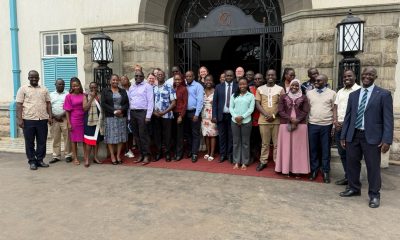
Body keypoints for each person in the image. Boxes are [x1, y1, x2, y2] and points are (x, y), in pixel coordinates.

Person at [339, 67, 393, 208]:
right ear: (360, 76)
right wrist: (344, 135)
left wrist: (387, 140)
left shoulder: (384, 94)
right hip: (354, 134)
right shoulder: (354, 95)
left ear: (375, 77)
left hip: (373, 137)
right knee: (352, 164)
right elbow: (348, 117)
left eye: (370, 74)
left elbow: (388, 119)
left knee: (373, 167)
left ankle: (374, 195)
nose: (367, 76)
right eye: (364, 74)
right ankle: (354, 188)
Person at [16, 70, 52, 170]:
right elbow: (19, 104)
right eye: (32, 77)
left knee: (42, 141)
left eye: (36, 77)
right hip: (28, 119)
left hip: (42, 119)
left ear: (39, 78)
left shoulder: (44, 89)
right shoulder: (23, 89)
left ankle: (40, 160)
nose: (34, 79)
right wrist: (19, 119)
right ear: (28, 78)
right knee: (29, 142)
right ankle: (32, 161)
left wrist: (50, 116)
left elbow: (48, 103)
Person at [275, 79, 310, 177]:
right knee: (286, 147)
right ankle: (286, 169)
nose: (294, 87)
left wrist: (297, 120)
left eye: (296, 86)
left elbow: (305, 110)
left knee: (298, 148)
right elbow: (280, 110)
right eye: (292, 85)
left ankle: (298, 170)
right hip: (285, 124)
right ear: (289, 86)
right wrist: (291, 119)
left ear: (299, 87)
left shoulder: (304, 97)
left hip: (301, 125)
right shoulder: (283, 96)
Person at [307, 74, 336, 183]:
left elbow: (334, 109)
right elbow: (308, 109)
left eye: (319, 81)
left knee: (325, 150)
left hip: (326, 125)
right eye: (315, 80)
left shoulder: (332, 93)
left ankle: (325, 171)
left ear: (325, 81)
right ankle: (314, 170)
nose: (316, 82)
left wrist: (333, 124)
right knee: (313, 149)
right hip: (312, 124)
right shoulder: (309, 93)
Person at [333, 69, 360, 185]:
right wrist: (335, 121)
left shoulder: (359, 90)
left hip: (352, 128)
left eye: (349, 76)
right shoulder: (340, 92)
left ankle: (354, 179)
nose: (346, 78)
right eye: (344, 77)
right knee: (342, 153)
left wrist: (346, 123)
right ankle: (348, 177)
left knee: (352, 155)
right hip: (339, 127)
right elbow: (335, 107)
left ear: (355, 77)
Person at [255, 69, 284, 171]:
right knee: (265, 143)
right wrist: (266, 115)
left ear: (276, 77)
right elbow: (257, 104)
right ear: (265, 77)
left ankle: (277, 162)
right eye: (268, 75)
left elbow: (281, 104)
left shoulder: (280, 89)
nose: (270, 77)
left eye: (273, 75)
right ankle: (263, 161)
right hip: (263, 120)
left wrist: (273, 115)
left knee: (277, 143)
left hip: (276, 121)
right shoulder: (260, 89)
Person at [212, 70, 238, 163]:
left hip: (232, 116)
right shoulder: (218, 87)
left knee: (231, 136)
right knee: (222, 136)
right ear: (225, 76)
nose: (229, 77)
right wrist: (214, 115)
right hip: (221, 115)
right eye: (227, 75)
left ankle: (230, 154)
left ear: (233, 76)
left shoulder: (237, 86)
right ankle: (222, 155)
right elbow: (215, 103)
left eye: (231, 76)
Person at [128, 71, 154, 165]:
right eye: (136, 76)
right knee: (136, 136)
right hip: (133, 113)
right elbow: (130, 102)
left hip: (143, 113)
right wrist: (129, 116)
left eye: (140, 76)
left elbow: (151, 101)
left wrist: (148, 116)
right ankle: (141, 154)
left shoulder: (148, 86)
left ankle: (147, 155)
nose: (138, 77)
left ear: (143, 77)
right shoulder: (132, 87)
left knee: (143, 135)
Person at [230, 77, 255, 170]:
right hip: (234, 121)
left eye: (244, 84)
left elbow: (251, 109)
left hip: (246, 121)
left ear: (247, 84)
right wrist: (236, 117)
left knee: (245, 142)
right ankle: (236, 162)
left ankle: (244, 162)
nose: (242, 86)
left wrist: (242, 117)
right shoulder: (234, 95)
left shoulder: (251, 96)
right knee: (236, 142)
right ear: (238, 85)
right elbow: (231, 108)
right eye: (240, 84)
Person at [153, 70, 176, 162]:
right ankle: (158, 153)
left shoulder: (169, 87)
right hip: (156, 115)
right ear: (156, 77)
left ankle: (167, 153)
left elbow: (174, 103)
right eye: (158, 75)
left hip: (167, 115)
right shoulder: (153, 88)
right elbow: (151, 102)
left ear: (164, 76)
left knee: (167, 135)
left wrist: (164, 112)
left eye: (161, 75)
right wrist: (154, 112)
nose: (160, 76)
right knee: (157, 135)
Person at [49, 79, 72, 164]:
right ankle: (56, 156)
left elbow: (69, 107)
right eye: (59, 84)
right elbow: (49, 107)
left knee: (67, 138)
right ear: (55, 85)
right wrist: (53, 116)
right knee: (55, 138)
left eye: (62, 84)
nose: (61, 86)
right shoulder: (51, 95)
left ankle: (68, 155)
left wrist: (61, 115)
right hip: (54, 119)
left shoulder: (67, 94)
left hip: (65, 118)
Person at [64, 77, 85, 166]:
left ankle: (85, 156)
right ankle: (75, 157)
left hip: (83, 119)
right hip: (74, 120)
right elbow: (67, 111)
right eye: (74, 86)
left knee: (84, 139)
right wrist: (69, 123)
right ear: (71, 87)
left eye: (77, 85)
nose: (76, 87)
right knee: (74, 140)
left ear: (80, 85)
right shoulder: (69, 96)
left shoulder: (84, 95)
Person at [184, 70, 204, 163]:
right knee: (187, 133)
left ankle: (195, 153)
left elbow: (200, 101)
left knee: (195, 134)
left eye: (190, 76)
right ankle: (191, 150)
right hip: (185, 113)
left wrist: (197, 114)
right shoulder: (184, 85)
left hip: (194, 113)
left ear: (194, 77)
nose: (188, 78)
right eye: (187, 76)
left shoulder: (198, 86)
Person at [82, 82, 104, 166]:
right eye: (92, 87)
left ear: (97, 87)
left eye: (95, 87)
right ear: (89, 88)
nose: (93, 89)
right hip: (89, 121)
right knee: (89, 141)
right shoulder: (86, 96)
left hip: (99, 121)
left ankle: (95, 157)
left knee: (97, 141)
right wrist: (92, 98)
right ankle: (87, 158)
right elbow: (85, 108)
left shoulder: (100, 96)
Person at [201, 75, 218, 161]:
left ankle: (212, 153)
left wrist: (215, 116)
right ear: (204, 81)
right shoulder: (202, 91)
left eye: (210, 80)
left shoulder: (216, 91)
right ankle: (207, 152)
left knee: (213, 135)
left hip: (212, 116)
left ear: (212, 81)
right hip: (204, 116)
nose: (208, 82)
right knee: (206, 135)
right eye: (207, 80)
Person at [172, 73, 188, 161]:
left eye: (179, 79)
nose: (177, 81)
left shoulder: (184, 89)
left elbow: (185, 104)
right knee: (174, 135)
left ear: (182, 80)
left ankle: (179, 154)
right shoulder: (172, 88)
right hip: (172, 114)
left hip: (179, 114)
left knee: (179, 136)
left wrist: (181, 116)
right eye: (175, 79)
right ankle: (175, 152)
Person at [249, 73, 264, 163]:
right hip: (251, 118)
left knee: (261, 139)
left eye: (259, 79)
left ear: (263, 79)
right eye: (255, 79)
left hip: (263, 118)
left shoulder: (266, 89)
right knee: (252, 138)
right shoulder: (250, 89)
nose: (257, 81)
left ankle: (260, 156)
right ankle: (252, 155)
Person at [120, 75, 135, 159]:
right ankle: (127, 149)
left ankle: (130, 148)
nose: (123, 80)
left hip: (133, 113)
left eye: (125, 79)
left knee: (131, 133)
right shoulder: (120, 91)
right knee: (126, 133)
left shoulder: (132, 88)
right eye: (121, 80)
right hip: (124, 114)